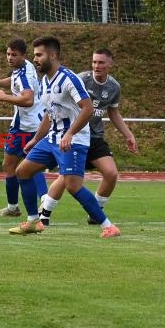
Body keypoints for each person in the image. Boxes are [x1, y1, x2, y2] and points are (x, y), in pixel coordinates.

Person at [9, 36, 121, 238]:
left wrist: (70, 133)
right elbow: (49, 114)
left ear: (52, 55)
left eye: (39, 55)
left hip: (74, 141)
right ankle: (34, 221)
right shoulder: (45, 81)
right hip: (52, 138)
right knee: (22, 171)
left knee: (73, 186)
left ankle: (108, 226)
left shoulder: (69, 78)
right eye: (35, 55)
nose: (35, 59)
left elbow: (87, 109)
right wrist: (36, 139)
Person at [39, 48, 138, 225]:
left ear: (110, 64)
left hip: (95, 138)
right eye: (94, 62)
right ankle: (44, 214)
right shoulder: (80, 79)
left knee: (111, 173)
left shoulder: (114, 87)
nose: (96, 66)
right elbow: (57, 105)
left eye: (101, 62)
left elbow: (113, 112)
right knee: (66, 178)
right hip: (75, 137)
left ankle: (96, 212)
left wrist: (128, 135)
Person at [0, 38, 48, 218]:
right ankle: (14, 207)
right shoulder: (24, 67)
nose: (10, 58)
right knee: (11, 164)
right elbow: (13, 80)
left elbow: (27, 99)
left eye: (14, 55)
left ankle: (43, 203)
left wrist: (3, 97)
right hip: (24, 125)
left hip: (28, 127)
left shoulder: (25, 74)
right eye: (8, 54)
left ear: (23, 55)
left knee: (28, 167)